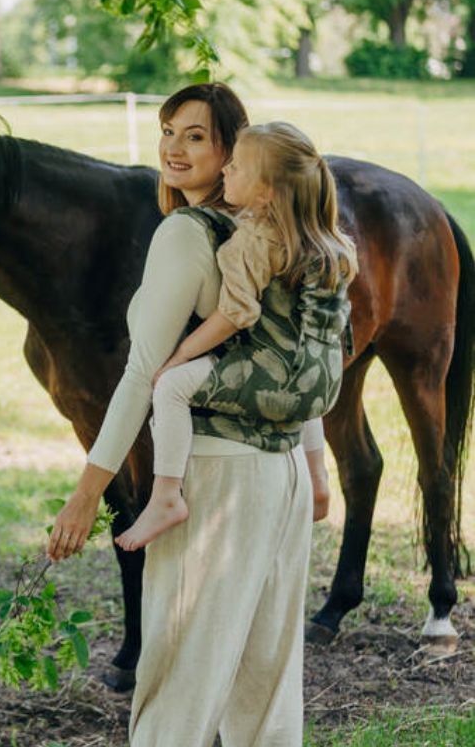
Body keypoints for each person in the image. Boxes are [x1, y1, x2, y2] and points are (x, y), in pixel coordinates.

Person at [48, 82, 341, 747]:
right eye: (168, 131)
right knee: (266, 680)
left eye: (197, 137)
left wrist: (89, 491)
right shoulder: (276, 228)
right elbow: (298, 353)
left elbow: (144, 373)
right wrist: (316, 462)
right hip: (284, 478)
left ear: (232, 153)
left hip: (216, 476)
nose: (174, 149)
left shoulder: (190, 233)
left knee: (177, 671)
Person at [115, 121, 357, 552]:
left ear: (265, 194)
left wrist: (180, 356)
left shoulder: (255, 241)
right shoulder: (329, 241)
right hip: (325, 381)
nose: (226, 169)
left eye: (238, 167)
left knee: (170, 388)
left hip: (280, 378)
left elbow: (235, 313)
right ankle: (318, 473)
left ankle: (166, 496)